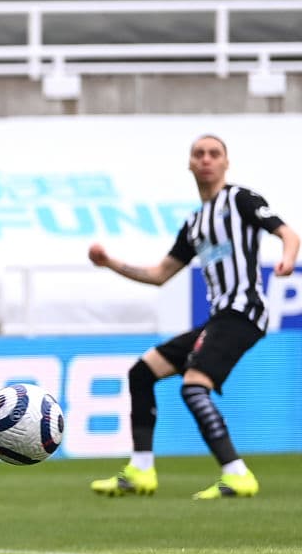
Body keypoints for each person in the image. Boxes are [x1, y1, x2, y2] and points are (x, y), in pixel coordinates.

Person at [87, 134, 299, 499]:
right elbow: (160, 274)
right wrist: (110, 263)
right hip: (219, 318)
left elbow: (288, 233)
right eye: (199, 154)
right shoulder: (195, 224)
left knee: (193, 386)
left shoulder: (240, 199)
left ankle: (237, 474)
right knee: (142, 372)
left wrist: (288, 258)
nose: (206, 159)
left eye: (214, 153)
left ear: (226, 163)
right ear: (189, 164)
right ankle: (140, 470)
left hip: (243, 312)